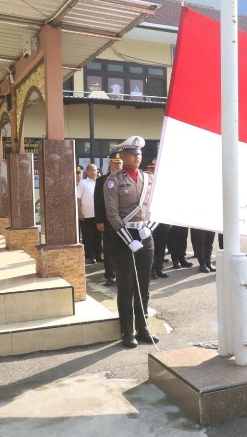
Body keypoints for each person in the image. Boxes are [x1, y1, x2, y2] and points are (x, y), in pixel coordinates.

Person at [103, 135, 159, 348]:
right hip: (123, 238)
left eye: (139, 154)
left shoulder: (148, 179)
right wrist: (129, 240)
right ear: (123, 155)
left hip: (145, 235)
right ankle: (127, 331)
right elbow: (112, 215)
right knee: (127, 286)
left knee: (143, 285)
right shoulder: (113, 181)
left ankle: (143, 328)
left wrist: (149, 229)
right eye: (133, 154)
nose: (137, 157)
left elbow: (156, 208)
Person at [95, 152, 123, 286]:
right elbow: (98, 202)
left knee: (122, 248)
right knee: (109, 248)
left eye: (120, 163)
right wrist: (99, 221)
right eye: (115, 163)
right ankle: (110, 275)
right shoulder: (101, 180)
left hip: (124, 220)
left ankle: (122, 274)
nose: (118, 166)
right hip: (108, 221)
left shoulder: (126, 179)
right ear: (109, 163)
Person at [77, 164, 102, 264]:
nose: (93, 172)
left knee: (98, 236)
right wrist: (79, 212)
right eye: (91, 170)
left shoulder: (99, 182)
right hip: (87, 215)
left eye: (95, 170)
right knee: (88, 236)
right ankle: (90, 256)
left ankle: (99, 255)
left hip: (98, 215)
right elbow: (78, 199)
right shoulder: (83, 183)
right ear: (87, 172)